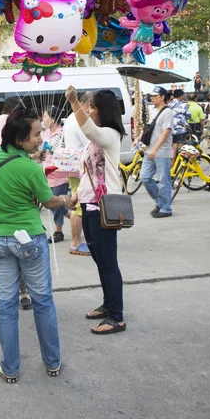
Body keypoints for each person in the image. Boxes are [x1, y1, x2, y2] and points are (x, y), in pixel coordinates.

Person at [0, 107, 75, 382]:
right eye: (36, 135)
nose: (40, 139)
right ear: (20, 138)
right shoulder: (32, 170)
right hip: (29, 241)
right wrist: (67, 200)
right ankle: (53, 363)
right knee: (43, 300)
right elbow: (49, 201)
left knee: (6, 303)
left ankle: (10, 368)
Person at [66, 87, 127, 335]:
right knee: (100, 260)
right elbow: (86, 173)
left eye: (91, 107)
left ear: (102, 111)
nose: (89, 111)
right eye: (87, 107)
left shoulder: (110, 134)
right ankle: (108, 304)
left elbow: (87, 128)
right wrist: (76, 195)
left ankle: (117, 317)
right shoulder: (95, 140)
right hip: (89, 204)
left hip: (104, 207)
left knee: (108, 263)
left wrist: (73, 103)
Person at [0, 96, 33, 310]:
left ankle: (7, 296)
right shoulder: (28, 163)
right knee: (23, 240)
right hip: (16, 167)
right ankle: (24, 293)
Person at [139, 86, 174, 218]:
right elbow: (149, 128)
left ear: (162, 97)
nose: (151, 98)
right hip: (150, 151)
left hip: (161, 152)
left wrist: (156, 148)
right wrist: (139, 138)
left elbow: (166, 132)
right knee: (145, 177)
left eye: (154, 96)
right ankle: (160, 202)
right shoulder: (153, 111)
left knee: (164, 181)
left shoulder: (168, 113)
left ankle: (166, 208)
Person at [63, 93, 90, 256]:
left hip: (72, 165)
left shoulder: (70, 117)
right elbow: (89, 140)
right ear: (86, 104)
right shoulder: (79, 119)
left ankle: (77, 241)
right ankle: (75, 242)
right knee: (78, 206)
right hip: (80, 167)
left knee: (77, 204)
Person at [42, 107, 71, 243]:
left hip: (58, 173)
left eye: (45, 116)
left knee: (55, 203)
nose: (43, 119)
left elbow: (63, 152)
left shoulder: (62, 133)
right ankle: (77, 218)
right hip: (46, 173)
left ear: (53, 118)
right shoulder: (46, 132)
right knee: (57, 204)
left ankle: (58, 232)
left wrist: (52, 150)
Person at [168, 89, 191, 164]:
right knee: (183, 148)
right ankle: (182, 166)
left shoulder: (168, 105)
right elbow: (189, 115)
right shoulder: (182, 105)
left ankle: (173, 167)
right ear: (181, 96)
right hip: (181, 130)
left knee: (173, 149)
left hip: (171, 130)